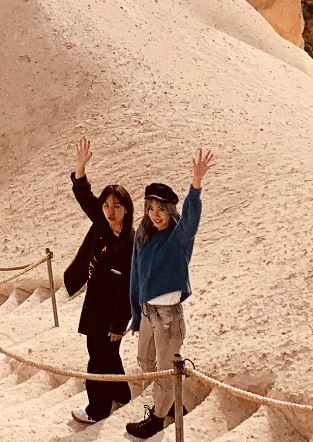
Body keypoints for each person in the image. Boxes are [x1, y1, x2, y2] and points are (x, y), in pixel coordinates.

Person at [125, 149, 213, 439]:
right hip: (148, 313)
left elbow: (191, 218)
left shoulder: (179, 236)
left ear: (170, 210)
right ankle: (173, 403)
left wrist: (196, 184)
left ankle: (158, 418)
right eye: (151, 208)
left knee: (165, 368)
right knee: (145, 362)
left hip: (167, 317)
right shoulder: (144, 235)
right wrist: (136, 316)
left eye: (160, 209)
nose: (155, 214)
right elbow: (136, 277)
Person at [65, 138, 135, 426]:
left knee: (98, 356)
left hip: (112, 311)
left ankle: (98, 409)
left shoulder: (132, 242)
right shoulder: (103, 225)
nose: (109, 211)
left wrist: (119, 324)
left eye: (116, 206)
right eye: (106, 205)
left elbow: (130, 285)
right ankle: (122, 394)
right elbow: (85, 197)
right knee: (108, 355)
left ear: (127, 210)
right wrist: (80, 167)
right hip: (95, 302)